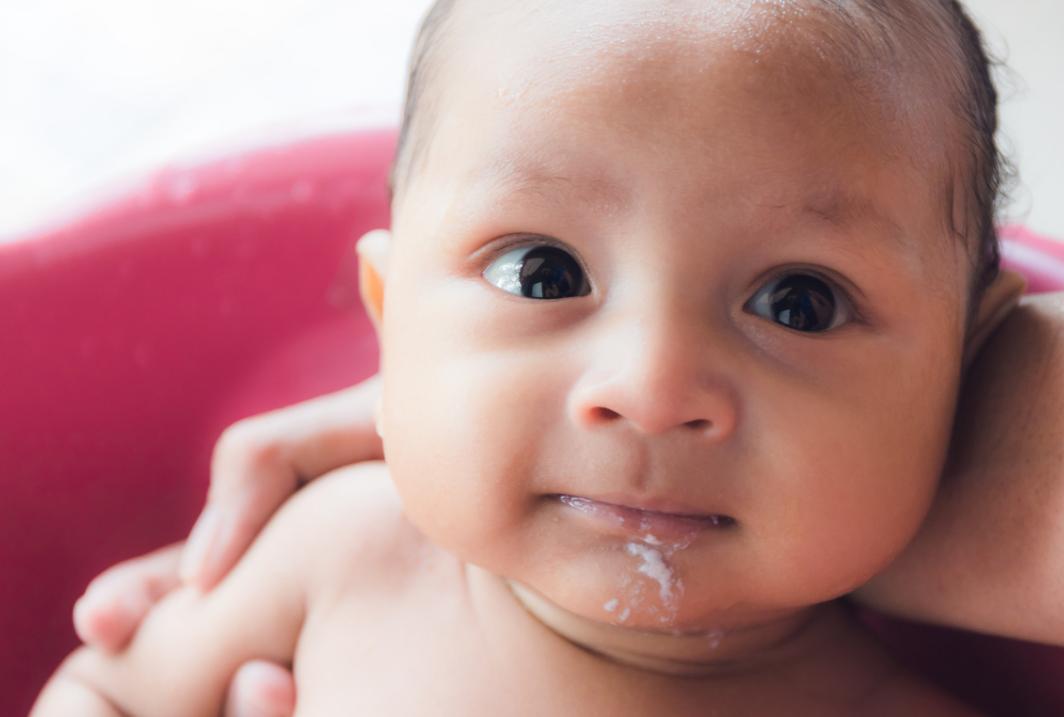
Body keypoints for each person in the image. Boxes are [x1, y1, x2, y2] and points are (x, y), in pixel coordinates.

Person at [31, 0, 1064, 713]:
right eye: (542, 273)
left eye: (797, 302)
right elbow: (108, 693)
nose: (650, 388)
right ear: (390, 322)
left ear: (964, 364)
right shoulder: (341, 559)